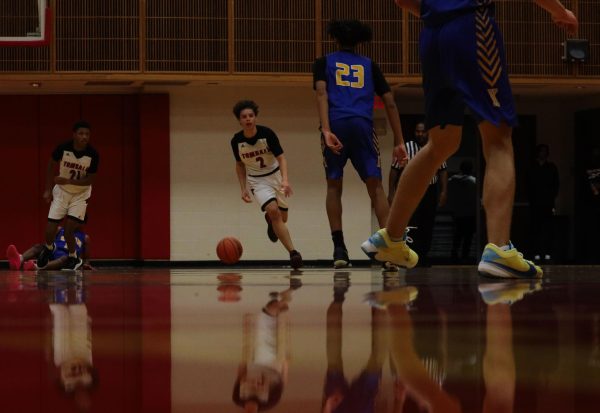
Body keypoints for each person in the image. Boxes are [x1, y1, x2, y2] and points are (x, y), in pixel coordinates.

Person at [362, 0, 577, 278]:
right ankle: (499, 249)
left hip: (432, 36)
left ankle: (391, 237)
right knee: (499, 138)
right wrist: (560, 11)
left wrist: (437, 13)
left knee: (440, 144)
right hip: (471, 25)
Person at [313, 19, 408, 269]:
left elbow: (322, 94)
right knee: (375, 187)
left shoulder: (323, 62)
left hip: (335, 123)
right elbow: (390, 103)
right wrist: (399, 141)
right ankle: (391, 249)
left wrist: (326, 130)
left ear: (334, 38)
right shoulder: (369, 65)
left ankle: (339, 249)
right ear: (359, 41)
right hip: (362, 125)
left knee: (334, 185)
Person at [231, 100, 303, 269]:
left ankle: (271, 222)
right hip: (257, 180)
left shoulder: (267, 134)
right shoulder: (236, 141)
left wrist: (285, 180)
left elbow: (281, 158)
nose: (248, 119)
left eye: (251, 116)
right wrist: (243, 189)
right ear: (239, 121)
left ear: (255, 118)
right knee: (273, 212)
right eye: (244, 117)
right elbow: (239, 165)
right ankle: (294, 254)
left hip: (276, 177)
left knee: (282, 219)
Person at [38, 120, 99, 271]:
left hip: (80, 194)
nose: (84, 137)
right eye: (81, 133)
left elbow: (90, 179)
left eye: (87, 134)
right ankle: (49, 247)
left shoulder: (93, 154)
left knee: (69, 229)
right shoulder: (63, 148)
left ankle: (73, 257)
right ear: (74, 135)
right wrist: (47, 189)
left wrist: (68, 180)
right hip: (62, 192)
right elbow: (51, 164)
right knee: (50, 227)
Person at [232, 280, 300, 412]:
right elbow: (282, 383)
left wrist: (246, 336)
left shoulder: (238, 398)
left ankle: (281, 299)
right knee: (278, 318)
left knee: (268, 316)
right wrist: (285, 365)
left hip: (256, 361)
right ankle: (284, 297)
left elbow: (240, 375)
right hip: (274, 364)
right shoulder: (270, 402)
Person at [389, 122, 448, 266]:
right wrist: (391, 192)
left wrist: (444, 191)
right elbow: (394, 170)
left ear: (427, 132)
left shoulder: (436, 147)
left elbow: (443, 171)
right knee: (411, 224)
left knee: (427, 223)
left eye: (422, 131)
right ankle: (411, 256)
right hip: (410, 190)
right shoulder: (406, 148)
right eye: (417, 131)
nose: (420, 134)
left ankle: (423, 256)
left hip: (430, 190)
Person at [6, 226, 93, 271]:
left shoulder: (85, 237)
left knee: (64, 258)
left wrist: (85, 264)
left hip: (66, 258)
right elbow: (49, 242)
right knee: (38, 246)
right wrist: (44, 250)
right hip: (53, 252)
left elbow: (86, 258)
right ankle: (19, 260)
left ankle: (36, 267)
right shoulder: (60, 229)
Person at [528, 144, 559, 263]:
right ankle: (535, 253)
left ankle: (547, 253)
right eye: (541, 151)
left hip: (548, 203)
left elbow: (556, 185)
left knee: (548, 228)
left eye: (545, 151)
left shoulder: (551, 167)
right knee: (535, 228)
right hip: (535, 203)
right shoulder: (532, 167)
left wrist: (551, 198)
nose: (543, 153)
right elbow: (528, 185)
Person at [447, 160, 477, 263]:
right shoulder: (474, 181)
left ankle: (454, 253)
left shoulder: (452, 180)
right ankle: (465, 255)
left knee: (457, 234)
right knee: (468, 235)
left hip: (457, 212)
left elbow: (450, 196)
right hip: (470, 213)